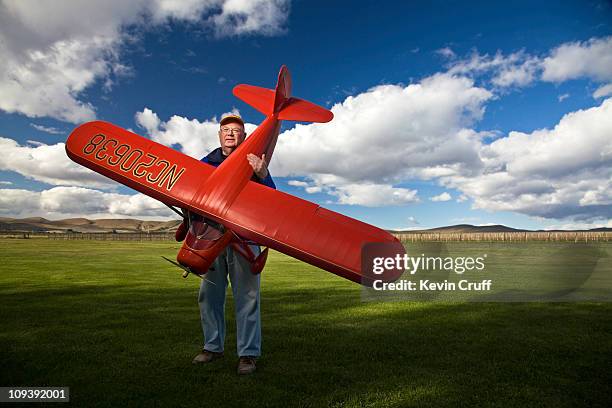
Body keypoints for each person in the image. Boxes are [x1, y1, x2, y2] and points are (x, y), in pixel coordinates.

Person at [191, 114, 275, 375]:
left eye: (236, 131)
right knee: (209, 296)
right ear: (219, 135)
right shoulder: (205, 163)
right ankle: (212, 347)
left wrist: (263, 174)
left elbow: (271, 202)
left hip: (245, 240)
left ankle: (248, 354)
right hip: (212, 238)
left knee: (248, 298)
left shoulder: (255, 165)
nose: (230, 134)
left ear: (244, 137)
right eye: (225, 130)